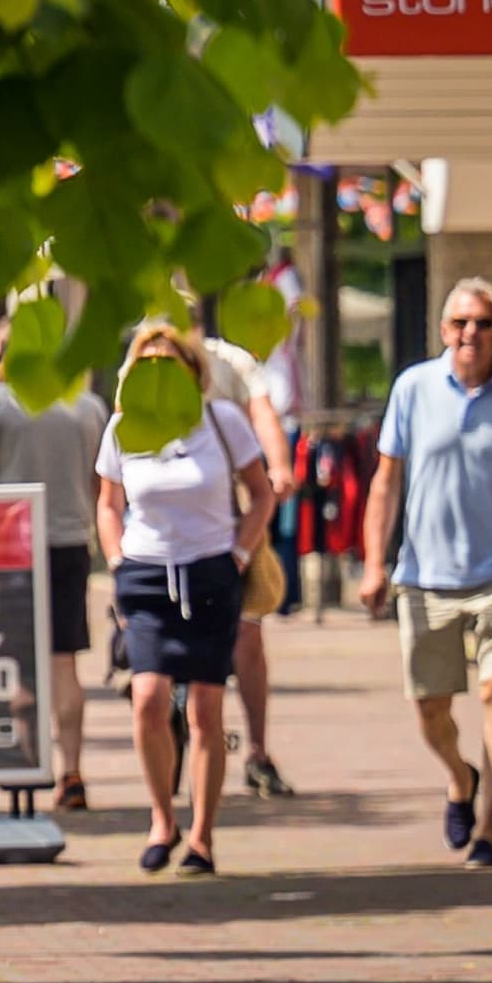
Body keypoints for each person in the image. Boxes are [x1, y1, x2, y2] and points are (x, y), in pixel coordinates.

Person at [359, 276, 492, 869]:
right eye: (459, 323)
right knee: (431, 707)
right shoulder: (413, 388)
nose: (469, 333)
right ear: (443, 331)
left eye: (481, 323)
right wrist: (374, 564)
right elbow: (385, 482)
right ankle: (460, 777)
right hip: (426, 574)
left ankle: (488, 831)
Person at [94, 321, 274, 876]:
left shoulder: (221, 420)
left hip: (210, 575)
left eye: (169, 362)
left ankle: (202, 837)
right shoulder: (123, 427)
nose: (158, 373)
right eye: (147, 364)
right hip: (146, 576)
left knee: (205, 709)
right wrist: (118, 561)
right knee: (147, 698)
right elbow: (108, 503)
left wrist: (238, 555)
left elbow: (262, 493)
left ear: (192, 371)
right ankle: (161, 819)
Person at [0, 360, 108, 811]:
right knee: (64, 662)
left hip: (13, 546)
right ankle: (72, 772)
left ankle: (13, 768)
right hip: (70, 542)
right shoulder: (89, 407)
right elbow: (100, 483)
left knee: (10, 661)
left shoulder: (0, 403)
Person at [204, 324, 296, 796]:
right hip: (173, 515)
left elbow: (262, 412)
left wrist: (279, 466)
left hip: (231, 508)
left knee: (247, 632)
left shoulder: (230, 361)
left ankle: (257, 750)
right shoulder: (141, 360)